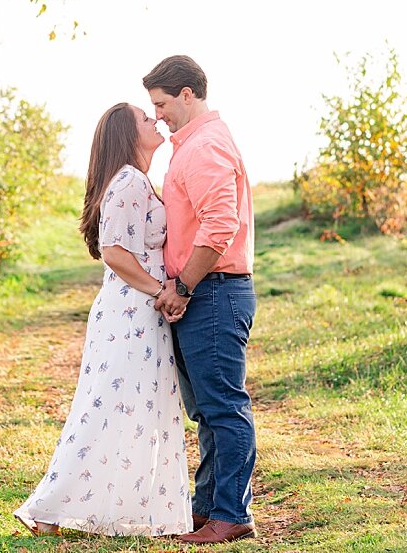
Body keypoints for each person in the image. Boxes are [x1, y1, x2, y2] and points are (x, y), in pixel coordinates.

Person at [13, 103, 193, 538]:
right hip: (131, 313)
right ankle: (47, 508)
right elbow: (114, 251)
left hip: (132, 313)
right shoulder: (129, 180)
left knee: (127, 408)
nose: (155, 121)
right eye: (145, 120)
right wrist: (160, 291)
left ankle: (115, 505)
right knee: (108, 407)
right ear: (128, 136)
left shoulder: (135, 180)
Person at [144, 55, 257, 545]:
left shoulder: (205, 146)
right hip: (204, 293)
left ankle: (231, 514)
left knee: (223, 408)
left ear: (187, 94)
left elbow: (219, 226)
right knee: (207, 412)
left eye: (162, 103)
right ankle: (208, 507)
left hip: (212, 293)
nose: (158, 115)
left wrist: (183, 286)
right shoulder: (192, 145)